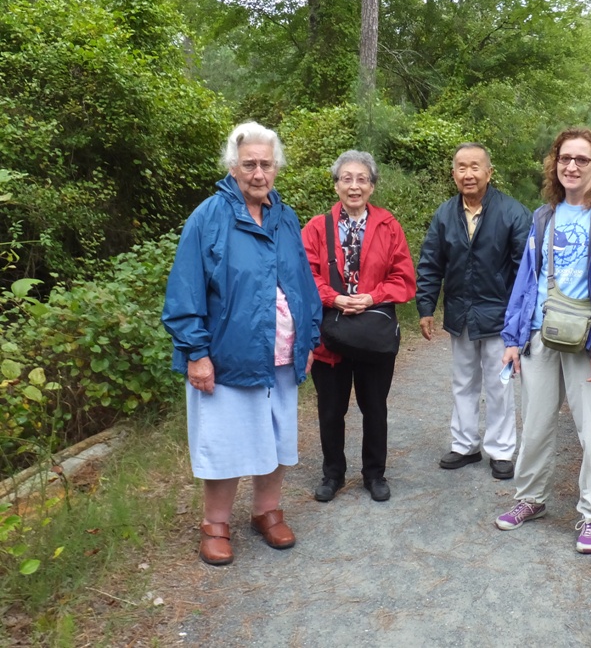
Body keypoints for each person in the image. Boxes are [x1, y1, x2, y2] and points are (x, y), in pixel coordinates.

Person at [162, 122, 322, 566]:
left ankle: (266, 512)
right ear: (233, 167)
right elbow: (185, 291)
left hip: (281, 357)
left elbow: (303, 284)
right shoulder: (209, 216)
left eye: (265, 164)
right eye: (249, 164)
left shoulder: (285, 217)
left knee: (277, 437)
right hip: (228, 356)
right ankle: (215, 524)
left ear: (276, 168)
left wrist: (309, 334)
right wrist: (197, 353)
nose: (258, 173)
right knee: (226, 442)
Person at [494, 127, 591, 554]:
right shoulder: (544, 215)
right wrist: (513, 337)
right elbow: (526, 281)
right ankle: (530, 500)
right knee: (535, 425)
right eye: (564, 158)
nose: (571, 166)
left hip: (590, 340)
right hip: (542, 334)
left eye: (581, 159)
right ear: (555, 165)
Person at [302, 150, 415, 503]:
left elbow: (404, 278)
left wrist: (371, 297)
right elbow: (304, 275)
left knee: (374, 406)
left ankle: (374, 473)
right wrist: (333, 298)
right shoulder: (316, 227)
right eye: (346, 178)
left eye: (362, 179)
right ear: (336, 184)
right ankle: (332, 473)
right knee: (331, 408)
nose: (354, 186)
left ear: (372, 186)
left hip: (373, 333)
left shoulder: (388, 225)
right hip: (330, 333)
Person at [416, 143, 531, 480]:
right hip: (460, 313)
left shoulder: (512, 213)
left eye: (475, 167)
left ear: (489, 172)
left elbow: (525, 271)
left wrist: (518, 320)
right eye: (462, 168)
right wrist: (426, 306)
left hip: (499, 318)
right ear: (454, 174)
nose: (469, 174)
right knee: (463, 382)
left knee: (499, 386)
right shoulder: (444, 214)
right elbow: (430, 262)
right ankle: (465, 445)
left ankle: (501, 451)